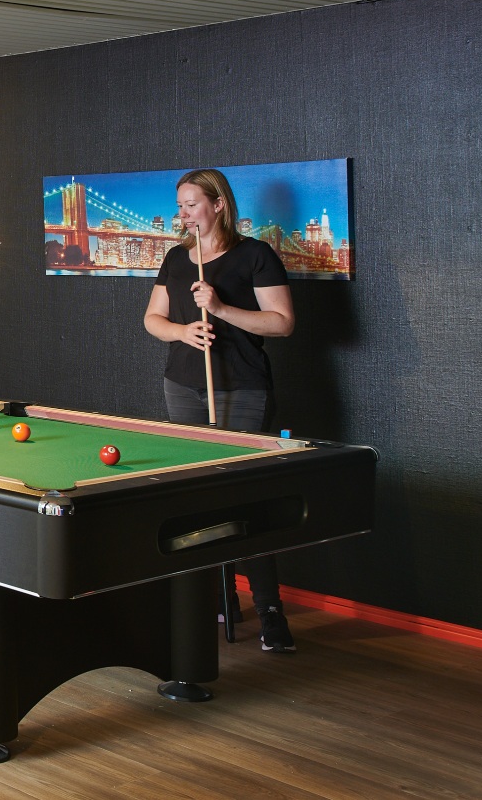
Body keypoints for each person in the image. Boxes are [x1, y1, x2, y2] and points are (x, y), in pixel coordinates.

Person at [142, 168, 300, 652]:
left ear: (218, 206)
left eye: (191, 204)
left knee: (244, 499)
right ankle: (221, 594)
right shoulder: (176, 257)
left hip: (242, 388)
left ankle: (271, 611)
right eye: (180, 206)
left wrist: (221, 307)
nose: (183, 214)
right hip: (184, 386)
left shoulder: (255, 255)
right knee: (196, 497)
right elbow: (153, 320)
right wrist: (182, 332)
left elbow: (283, 323)